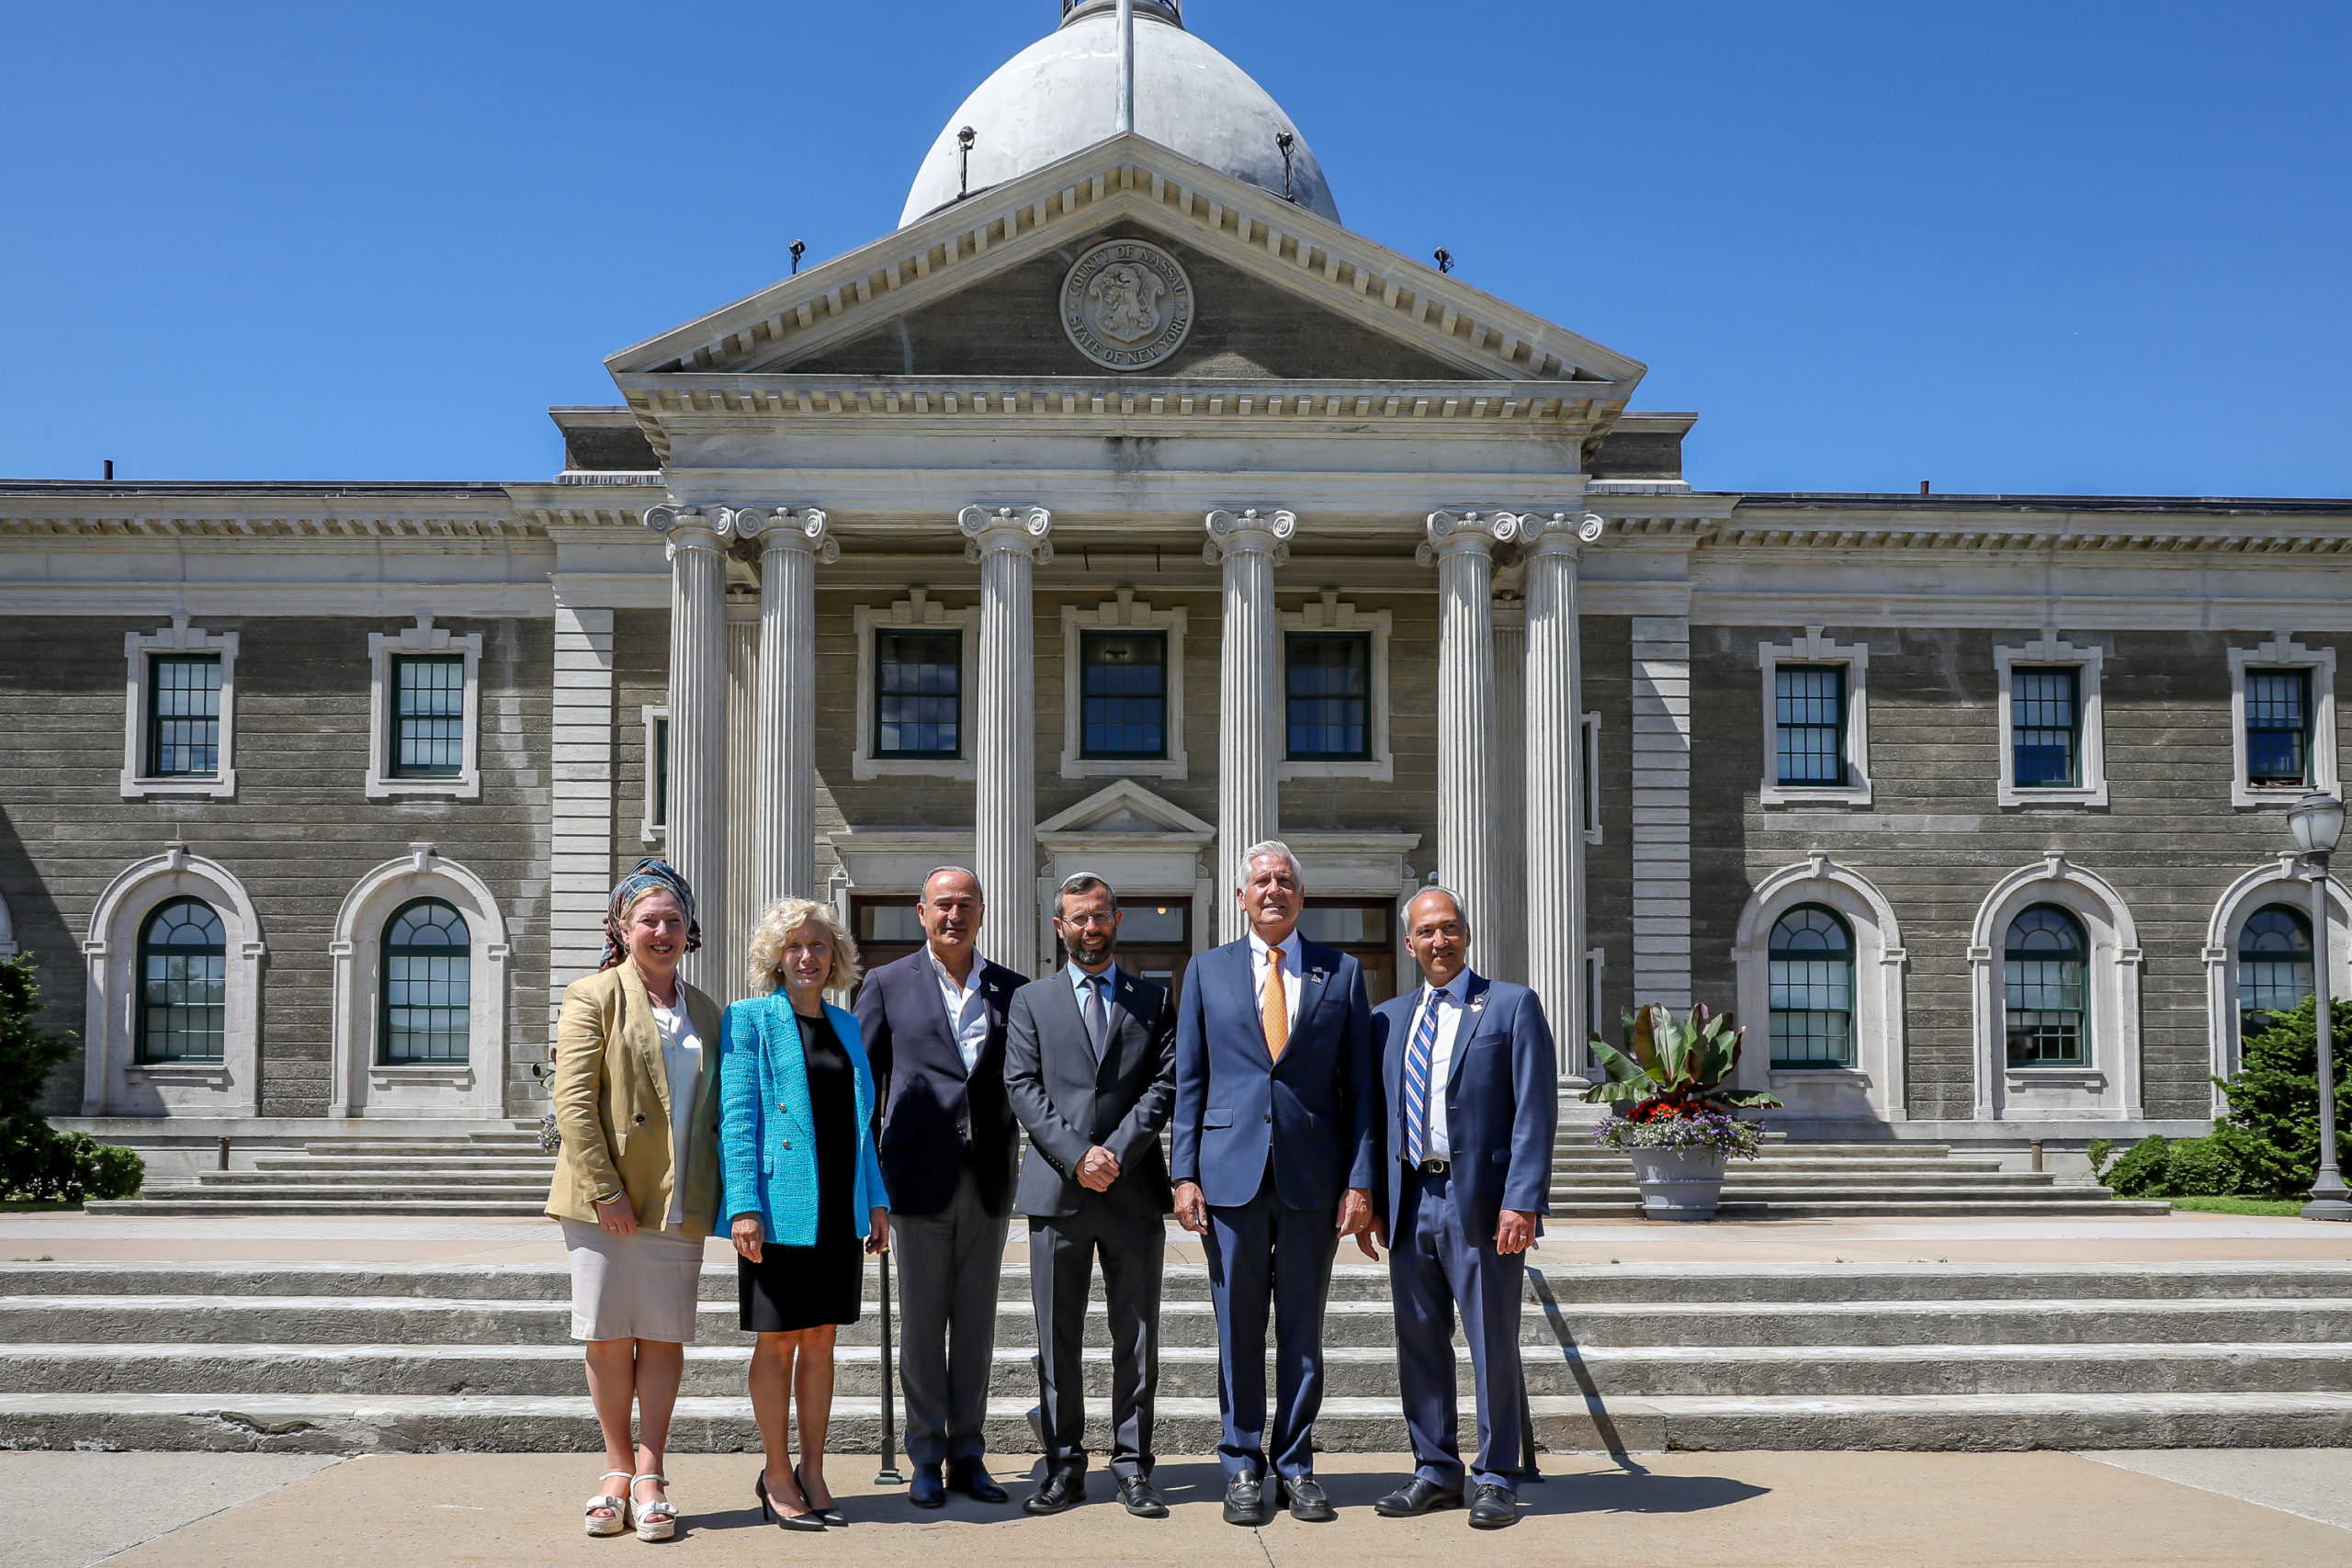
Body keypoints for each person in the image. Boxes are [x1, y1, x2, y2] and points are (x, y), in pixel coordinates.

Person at [1170, 840, 1380, 1526]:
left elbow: (1361, 1090)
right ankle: (1240, 1463)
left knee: (1301, 1330)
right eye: (1261, 881)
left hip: (1311, 1179)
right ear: (1241, 897)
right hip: (1228, 1177)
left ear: (1301, 894)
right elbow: (1191, 1080)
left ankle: (1295, 1465)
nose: (1273, 890)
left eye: (1285, 880)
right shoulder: (1207, 970)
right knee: (1236, 1328)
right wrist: (1183, 1172)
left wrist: (1360, 1181)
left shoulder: (1341, 972)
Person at [545, 858, 724, 1542]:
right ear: (622, 928)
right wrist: (607, 1190)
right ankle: (617, 1471)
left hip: (680, 1200)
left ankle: (652, 1474)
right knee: (609, 1334)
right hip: (608, 1202)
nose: (662, 930)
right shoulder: (592, 995)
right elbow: (573, 1103)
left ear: (689, 931)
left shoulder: (707, 1010)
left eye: (674, 919)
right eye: (649, 919)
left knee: (663, 1333)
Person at [1371, 887, 1557, 1530]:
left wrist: (1522, 1199)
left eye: (1449, 928)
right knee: (1419, 1342)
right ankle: (1436, 1469)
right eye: (1426, 932)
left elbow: (1535, 1110)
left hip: (1481, 1201)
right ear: (1410, 943)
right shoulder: (1388, 1019)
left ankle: (1497, 1475)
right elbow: (1376, 1116)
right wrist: (1371, 1197)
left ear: (1467, 933)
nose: (1439, 941)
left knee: (1491, 1341)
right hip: (1409, 1199)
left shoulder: (1510, 1005)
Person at [1004, 873, 1179, 1519]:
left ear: (1117, 920)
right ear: (1060, 926)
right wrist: (1079, 1154)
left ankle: (1133, 1466)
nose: (1090, 927)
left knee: (1137, 1338)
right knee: (1058, 1339)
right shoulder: (1031, 1000)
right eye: (1078, 918)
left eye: (1100, 915)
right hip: (1058, 1192)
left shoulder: (1153, 999)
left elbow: (1165, 1082)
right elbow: (1022, 1085)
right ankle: (1064, 1467)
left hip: (1133, 1191)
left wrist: (1116, 1152)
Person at [854, 866, 1026, 1507]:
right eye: (944, 904)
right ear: (922, 910)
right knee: (924, 1325)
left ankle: (968, 1454)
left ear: (981, 911)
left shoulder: (1013, 989)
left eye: (966, 904)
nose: (955, 915)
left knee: (976, 1325)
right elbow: (862, 1090)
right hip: (915, 1180)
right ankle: (925, 1454)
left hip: (988, 1180)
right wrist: (866, 1186)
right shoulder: (886, 983)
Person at [720, 897, 891, 1531]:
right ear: (775, 955)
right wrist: (743, 1204)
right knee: (780, 1339)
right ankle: (776, 1473)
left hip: (840, 1204)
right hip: (778, 1205)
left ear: (834, 954)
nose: (806, 956)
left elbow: (862, 1124)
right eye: (793, 946)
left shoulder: (846, 1026)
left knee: (822, 1339)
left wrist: (876, 1198)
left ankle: (813, 1470)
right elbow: (737, 1119)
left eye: (818, 944)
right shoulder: (749, 1019)